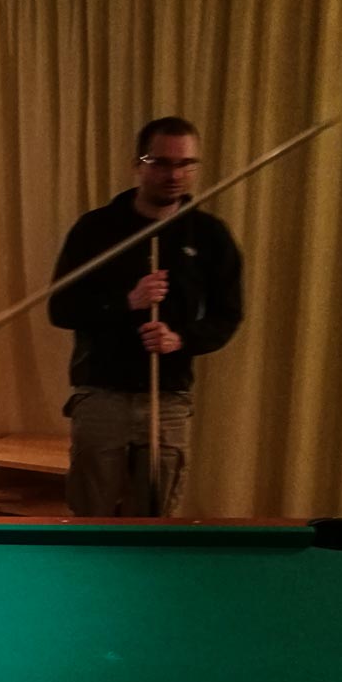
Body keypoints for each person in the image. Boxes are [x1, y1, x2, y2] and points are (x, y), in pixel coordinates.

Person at [47, 116, 243, 517]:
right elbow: (61, 308)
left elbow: (228, 315)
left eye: (185, 164)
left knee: (154, 521)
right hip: (101, 394)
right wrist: (128, 301)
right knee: (90, 517)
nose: (174, 175)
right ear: (138, 164)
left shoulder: (209, 235)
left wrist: (181, 339)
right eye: (162, 162)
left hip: (167, 398)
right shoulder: (96, 229)